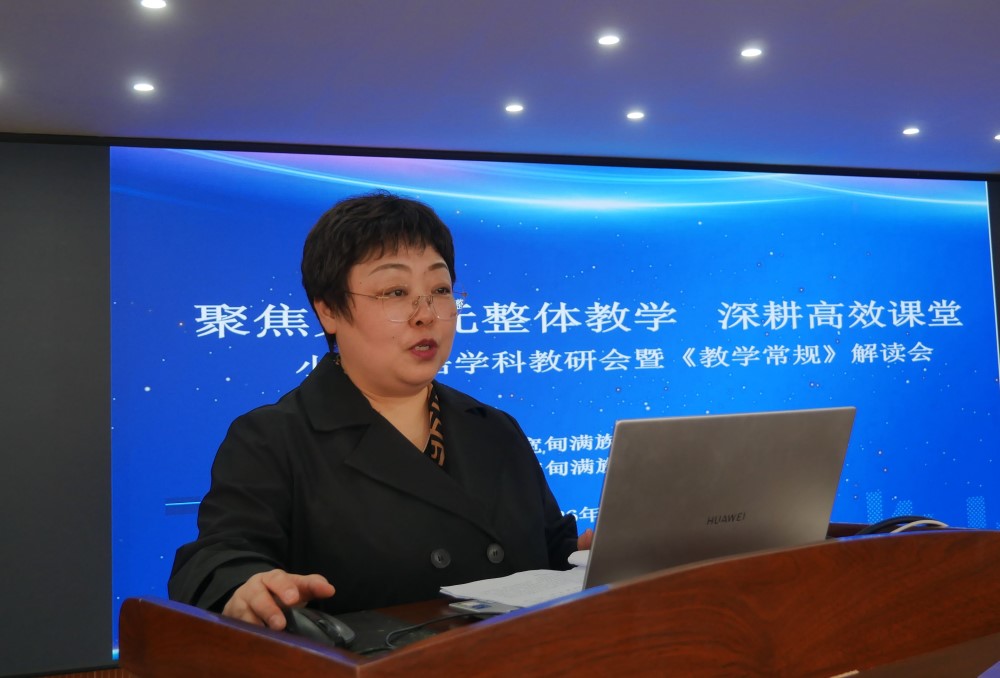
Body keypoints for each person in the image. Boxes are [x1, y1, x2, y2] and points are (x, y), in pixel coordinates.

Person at [168, 191, 592, 630]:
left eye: (440, 290)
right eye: (395, 292)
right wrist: (247, 586)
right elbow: (217, 559)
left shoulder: (495, 428)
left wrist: (588, 559)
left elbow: (549, 552)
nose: (426, 315)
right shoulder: (272, 439)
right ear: (328, 311)